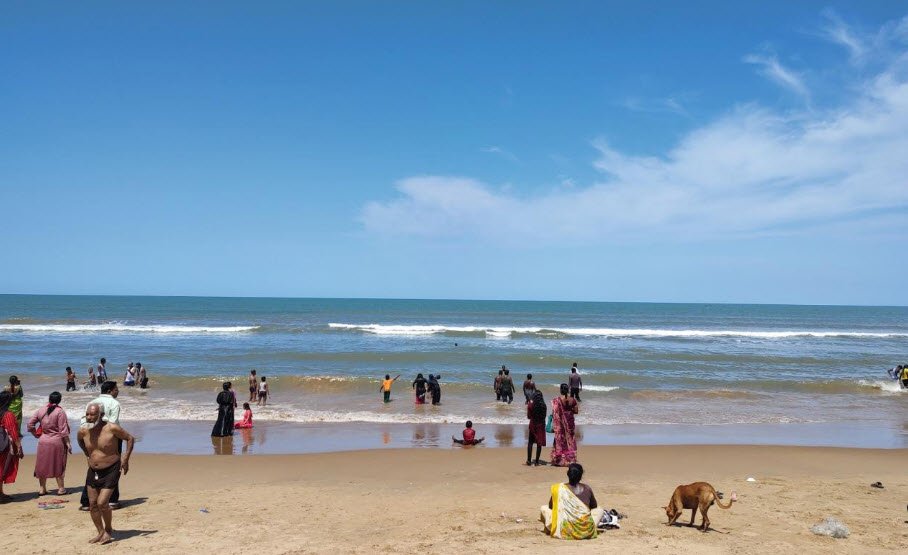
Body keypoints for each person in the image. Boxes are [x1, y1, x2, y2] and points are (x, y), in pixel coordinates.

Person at [77, 403, 135, 545]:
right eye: (87, 414)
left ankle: (108, 530)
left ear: (101, 415)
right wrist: (87, 454)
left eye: (92, 415)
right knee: (92, 504)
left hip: (111, 469)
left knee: (102, 503)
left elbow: (130, 438)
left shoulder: (111, 428)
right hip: (93, 470)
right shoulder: (83, 431)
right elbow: (80, 442)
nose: (89, 417)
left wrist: (125, 459)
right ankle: (100, 532)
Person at [79, 381, 122, 510]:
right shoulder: (115, 403)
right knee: (113, 467)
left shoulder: (92, 403)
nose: (117, 391)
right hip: (109, 438)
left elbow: (85, 420)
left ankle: (86, 502)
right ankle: (112, 500)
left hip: (90, 435)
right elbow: (113, 423)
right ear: (110, 391)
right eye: (116, 389)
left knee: (93, 468)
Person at [539, 463, 603, 539]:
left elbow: (551, 507)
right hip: (585, 530)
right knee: (599, 510)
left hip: (564, 529)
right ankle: (587, 527)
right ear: (581, 475)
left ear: (568, 474)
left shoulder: (559, 488)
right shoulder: (587, 488)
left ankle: (549, 528)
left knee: (544, 508)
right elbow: (594, 506)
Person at [27, 391, 71, 495]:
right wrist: (68, 444)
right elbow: (63, 431)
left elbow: (30, 424)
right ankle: (61, 489)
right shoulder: (60, 412)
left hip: (43, 441)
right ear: (59, 400)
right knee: (59, 464)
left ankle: (42, 489)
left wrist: (36, 435)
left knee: (42, 465)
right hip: (57, 441)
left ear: (49, 399)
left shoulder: (41, 410)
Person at [0, 391, 24, 503]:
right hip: (3, 445)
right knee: (2, 467)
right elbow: (13, 432)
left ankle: (1, 493)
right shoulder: (8, 414)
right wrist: (19, 446)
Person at [550, 383, 579, 466]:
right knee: (570, 439)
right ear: (568, 390)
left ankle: (559, 460)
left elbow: (554, 412)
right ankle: (570, 459)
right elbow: (576, 411)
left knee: (560, 439)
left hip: (560, 423)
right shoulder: (572, 400)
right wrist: (569, 411)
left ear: (560, 390)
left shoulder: (557, 400)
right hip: (569, 421)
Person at [526, 390, 547, 466]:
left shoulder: (531, 405)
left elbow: (528, 416)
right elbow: (544, 416)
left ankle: (529, 460)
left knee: (530, 443)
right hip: (541, 425)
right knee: (539, 443)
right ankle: (537, 461)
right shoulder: (544, 406)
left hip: (533, 424)